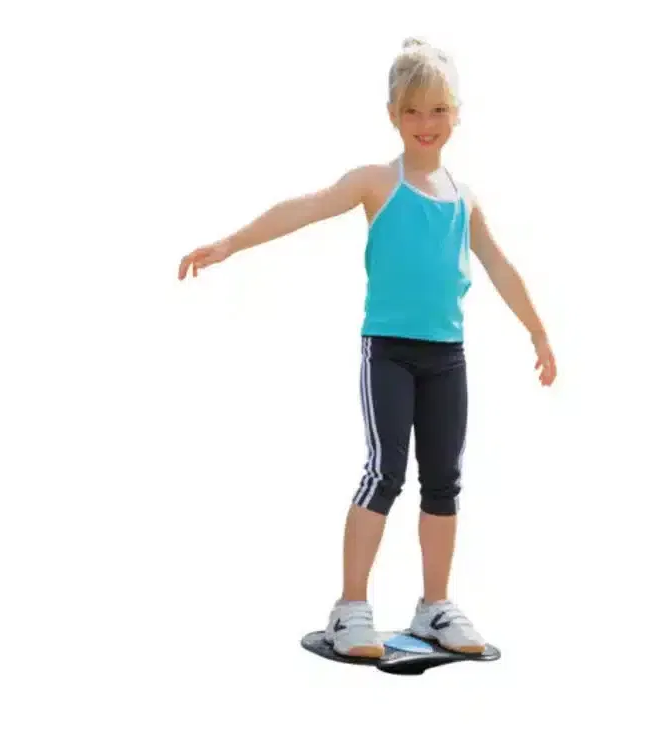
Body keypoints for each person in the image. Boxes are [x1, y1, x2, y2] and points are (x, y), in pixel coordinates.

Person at [177, 37, 556, 658]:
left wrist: (537, 331)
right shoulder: (378, 182)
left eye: (438, 110)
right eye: (413, 111)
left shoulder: (465, 201)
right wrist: (230, 244)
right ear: (392, 115)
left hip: (447, 358)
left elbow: (501, 267)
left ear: (457, 114)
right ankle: (350, 607)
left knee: (444, 482)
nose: (426, 123)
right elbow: (303, 209)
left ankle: (435, 607)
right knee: (385, 472)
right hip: (389, 353)